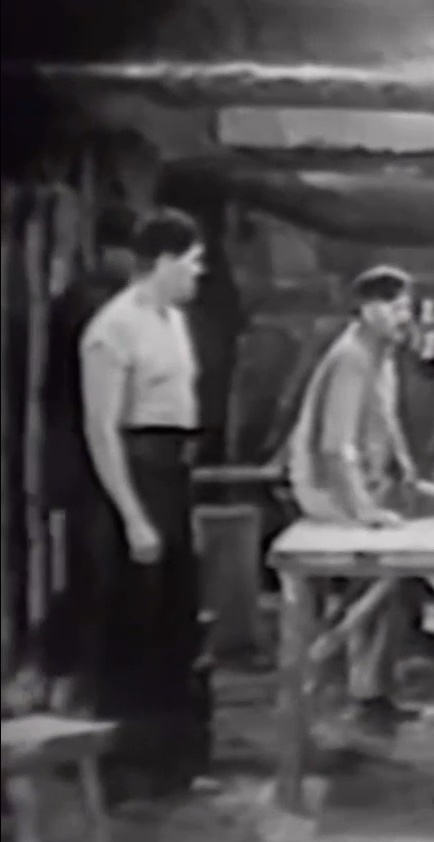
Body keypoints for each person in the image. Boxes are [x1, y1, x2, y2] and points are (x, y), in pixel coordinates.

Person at [79, 207, 212, 801]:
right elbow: (101, 429)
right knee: (134, 621)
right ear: (163, 261)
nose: (198, 273)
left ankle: (174, 763)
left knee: (177, 621)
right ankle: (126, 771)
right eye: (192, 262)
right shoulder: (112, 328)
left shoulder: (174, 321)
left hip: (173, 474)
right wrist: (133, 517)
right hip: (133, 475)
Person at [287, 265, 422, 732]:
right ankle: (340, 693)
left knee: (385, 587)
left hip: (367, 479)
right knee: (375, 577)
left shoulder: (383, 354)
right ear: (366, 309)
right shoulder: (351, 357)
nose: (403, 316)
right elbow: (335, 447)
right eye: (393, 306)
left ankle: (371, 690)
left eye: (406, 306)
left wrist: (405, 465)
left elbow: (386, 417)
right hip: (329, 488)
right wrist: (363, 510)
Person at [43, 202, 138, 713]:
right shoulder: (108, 307)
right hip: (99, 455)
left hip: (77, 453)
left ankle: (73, 676)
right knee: (102, 571)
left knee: (91, 566)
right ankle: (89, 682)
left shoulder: (75, 300)